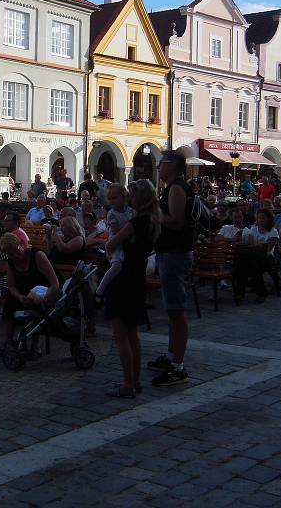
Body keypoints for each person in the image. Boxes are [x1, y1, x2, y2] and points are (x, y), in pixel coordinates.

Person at [101, 179, 160, 398]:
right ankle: (135, 380)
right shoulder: (153, 221)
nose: (129, 199)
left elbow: (111, 244)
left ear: (139, 199)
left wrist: (107, 241)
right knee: (133, 334)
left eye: (132, 195)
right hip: (137, 277)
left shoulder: (135, 223)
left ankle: (127, 384)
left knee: (121, 335)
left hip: (123, 278)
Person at [148, 150, 193, 387]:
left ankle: (178, 365)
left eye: (160, 163)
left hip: (176, 254)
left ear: (172, 165)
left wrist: (155, 215)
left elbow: (177, 221)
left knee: (176, 311)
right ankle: (170, 354)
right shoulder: (172, 187)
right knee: (172, 310)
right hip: (170, 253)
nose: (157, 167)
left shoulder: (176, 188)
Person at [95, 184, 135, 302]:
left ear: (124, 197)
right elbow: (115, 230)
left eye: (115, 198)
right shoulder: (112, 213)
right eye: (110, 198)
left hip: (127, 242)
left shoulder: (131, 211)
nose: (112, 201)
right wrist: (129, 230)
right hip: (116, 242)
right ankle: (100, 289)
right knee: (117, 264)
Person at [236, 209, 279, 302]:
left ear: (268, 219)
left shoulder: (273, 231)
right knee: (247, 264)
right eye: (259, 218)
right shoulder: (253, 229)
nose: (260, 220)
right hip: (254, 256)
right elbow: (251, 245)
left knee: (246, 263)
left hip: (267, 257)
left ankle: (240, 293)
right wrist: (259, 245)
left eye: (263, 218)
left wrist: (258, 246)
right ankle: (261, 293)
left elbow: (268, 247)